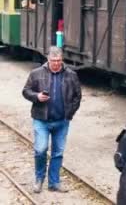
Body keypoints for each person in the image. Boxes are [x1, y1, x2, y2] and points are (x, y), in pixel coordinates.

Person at [22, 46, 82, 193]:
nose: (56, 63)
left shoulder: (71, 75)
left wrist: (69, 114)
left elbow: (77, 96)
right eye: (53, 61)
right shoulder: (36, 74)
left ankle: (54, 183)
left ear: (62, 60)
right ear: (48, 60)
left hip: (62, 121)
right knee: (40, 150)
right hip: (41, 120)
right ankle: (39, 178)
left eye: (59, 61)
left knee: (58, 153)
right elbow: (26, 91)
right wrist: (37, 97)